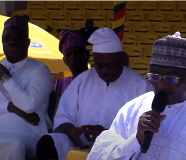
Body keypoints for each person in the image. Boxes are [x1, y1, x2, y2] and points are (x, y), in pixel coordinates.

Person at [87, 32, 186, 160]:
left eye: (171, 78)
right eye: (155, 77)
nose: (161, 85)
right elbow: (97, 156)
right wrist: (135, 140)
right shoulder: (132, 110)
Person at [35, 27, 154, 160]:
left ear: (119, 59)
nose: (103, 71)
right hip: (79, 145)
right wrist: (72, 131)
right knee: (48, 142)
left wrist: (104, 135)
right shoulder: (82, 80)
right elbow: (63, 118)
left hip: (118, 149)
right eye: (98, 65)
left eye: (108, 65)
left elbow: (144, 132)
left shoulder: (141, 86)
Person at [0, 15, 53, 160]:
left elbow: (28, 105)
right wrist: (13, 108)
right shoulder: (1, 65)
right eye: (6, 38)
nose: (10, 41)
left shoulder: (40, 70)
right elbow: (23, 109)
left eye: (16, 38)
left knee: (14, 145)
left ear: (27, 42)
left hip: (29, 133)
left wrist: (6, 78)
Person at [53, 29, 90, 97]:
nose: (73, 57)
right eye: (68, 55)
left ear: (87, 55)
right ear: (64, 61)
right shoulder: (59, 85)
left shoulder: (101, 81)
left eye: (77, 53)